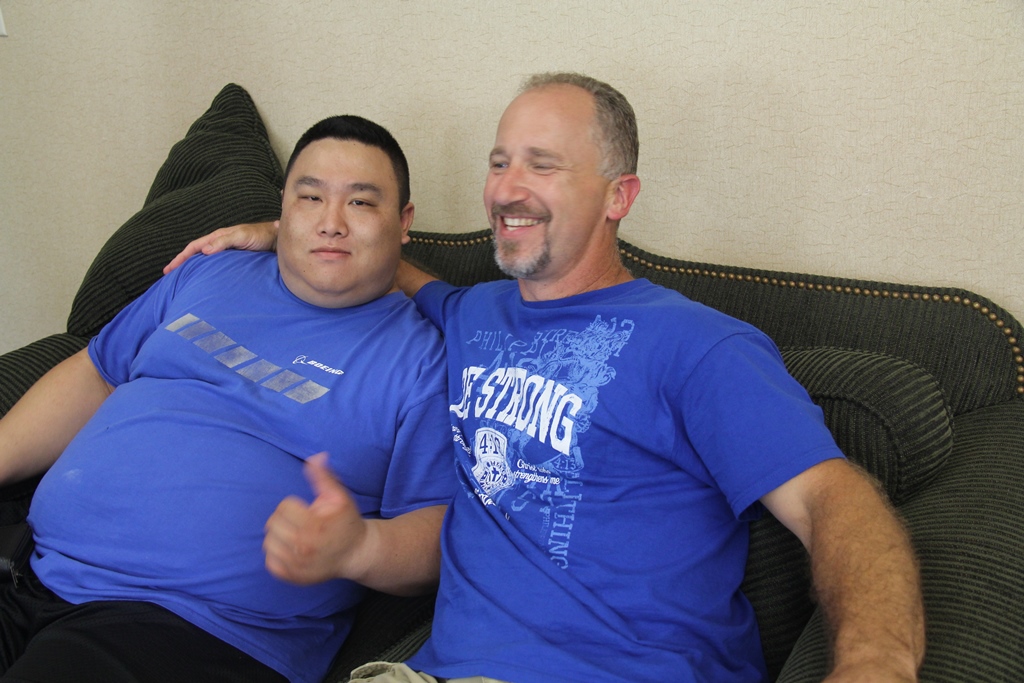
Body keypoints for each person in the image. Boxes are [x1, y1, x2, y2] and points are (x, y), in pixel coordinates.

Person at [170, 73, 925, 683]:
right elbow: (389, 264)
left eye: (543, 164)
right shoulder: (474, 313)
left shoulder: (698, 346)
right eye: (500, 162)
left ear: (619, 196)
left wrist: (875, 661)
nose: (507, 189)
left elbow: (834, 498)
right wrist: (285, 232)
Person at [0, 115, 456, 683]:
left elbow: (437, 528)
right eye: (310, 197)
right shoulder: (208, 273)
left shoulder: (427, 360)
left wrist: (359, 547)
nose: (331, 223)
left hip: (189, 627)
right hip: (31, 566)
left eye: (361, 203)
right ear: (282, 208)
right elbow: (98, 372)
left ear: (403, 221)